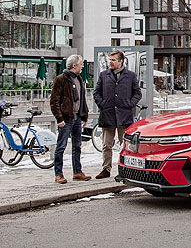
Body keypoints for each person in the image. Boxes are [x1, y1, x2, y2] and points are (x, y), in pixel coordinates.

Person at [93, 49, 142, 180]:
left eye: (113, 60)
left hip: (124, 115)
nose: (111, 62)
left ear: (121, 61)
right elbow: (96, 92)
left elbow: (137, 93)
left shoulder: (130, 76)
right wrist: (102, 104)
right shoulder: (104, 75)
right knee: (106, 145)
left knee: (125, 145)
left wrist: (129, 104)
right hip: (108, 114)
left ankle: (125, 169)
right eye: (110, 60)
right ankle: (106, 169)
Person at [49, 55, 91, 184]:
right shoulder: (61, 79)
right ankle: (58, 174)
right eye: (81, 64)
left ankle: (77, 172)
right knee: (61, 146)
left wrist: (84, 116)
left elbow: (82, 99)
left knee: (77, 146)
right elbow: (54, 101)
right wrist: (59, 118)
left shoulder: (79, 79)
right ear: (74, 66)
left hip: (77, 117)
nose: (82, 66)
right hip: (66, 118)